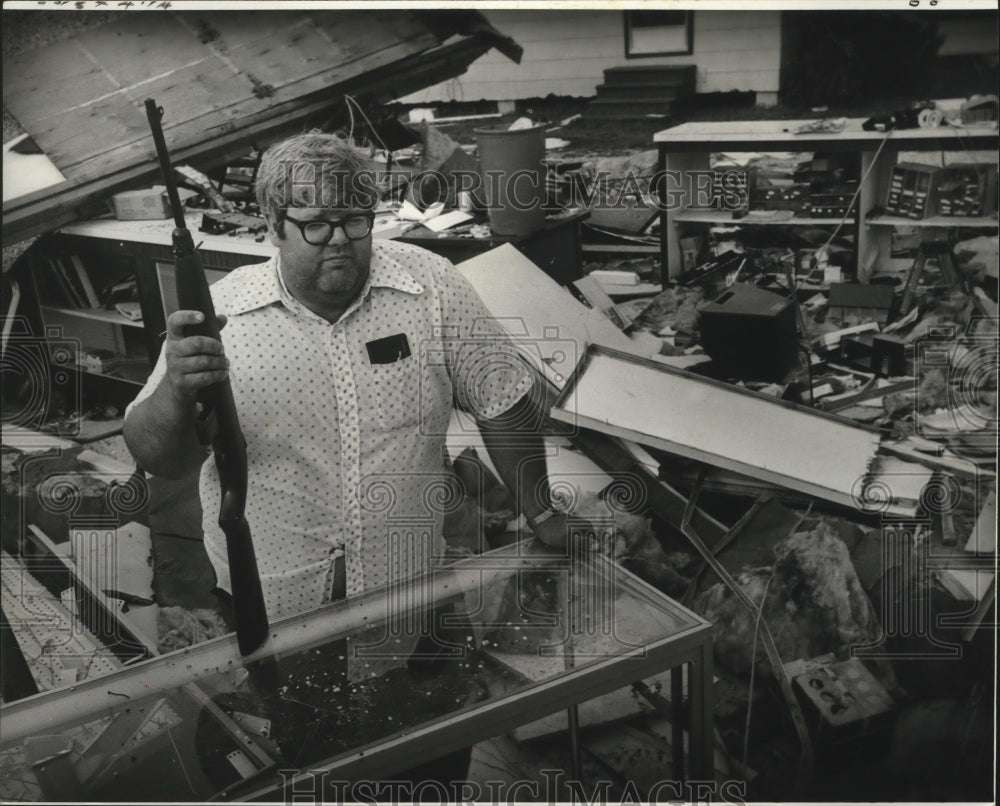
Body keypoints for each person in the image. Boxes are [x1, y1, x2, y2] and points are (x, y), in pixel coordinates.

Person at [122, 131, 584, 794]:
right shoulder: (223, 315)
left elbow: (503, 398)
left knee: (430, 761)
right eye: (315, 224)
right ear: (274, 228)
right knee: (301, 769)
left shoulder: (431, 288)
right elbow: (155, 455)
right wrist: (176, 387)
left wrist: (540, 512)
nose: (339, 239)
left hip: (414, 597)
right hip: (273, 611)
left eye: (355, 220)